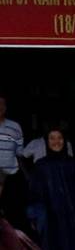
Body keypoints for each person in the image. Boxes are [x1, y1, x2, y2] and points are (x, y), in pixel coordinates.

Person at [0, 94, 23, 227]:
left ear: (6, 107)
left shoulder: (15, 127)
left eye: (2, 104)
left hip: (11, 178)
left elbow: (20, 152)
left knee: (11, 220)